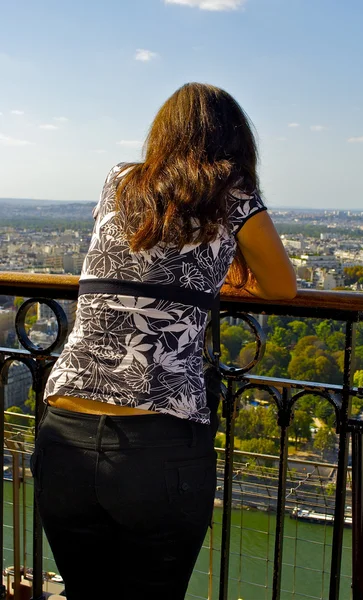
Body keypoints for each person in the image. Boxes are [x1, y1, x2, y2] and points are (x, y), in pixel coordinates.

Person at [30, 82, 297, 599]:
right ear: (235, 139)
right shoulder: (232, 187)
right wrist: (215, 278)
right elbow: (282, 285)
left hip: (64, 429)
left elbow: (141, 253)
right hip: (157, 440)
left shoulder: (119, 180)